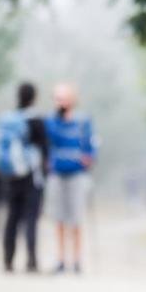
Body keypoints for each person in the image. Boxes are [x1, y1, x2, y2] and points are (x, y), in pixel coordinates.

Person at [0, 82, 48, 273]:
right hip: (31, 176)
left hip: (11, 177)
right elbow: (45, 150)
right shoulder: (36, 120)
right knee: (31, 218)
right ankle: (31, 260)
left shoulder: (8, 120)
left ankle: (8, 260)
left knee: (11, 217)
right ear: (34, 97)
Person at [45, 84, 96, 274]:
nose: (61, 102)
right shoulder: (50, 122)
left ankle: (77, 260)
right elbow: (47, 143)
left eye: (64, 98)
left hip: (77, 175)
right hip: (56, 174)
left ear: (73, 99)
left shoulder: (83, 122)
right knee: (58, 217)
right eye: (57, 98)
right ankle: (60, 259)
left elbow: (91, 145)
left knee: (76, 218)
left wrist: (89, 158)